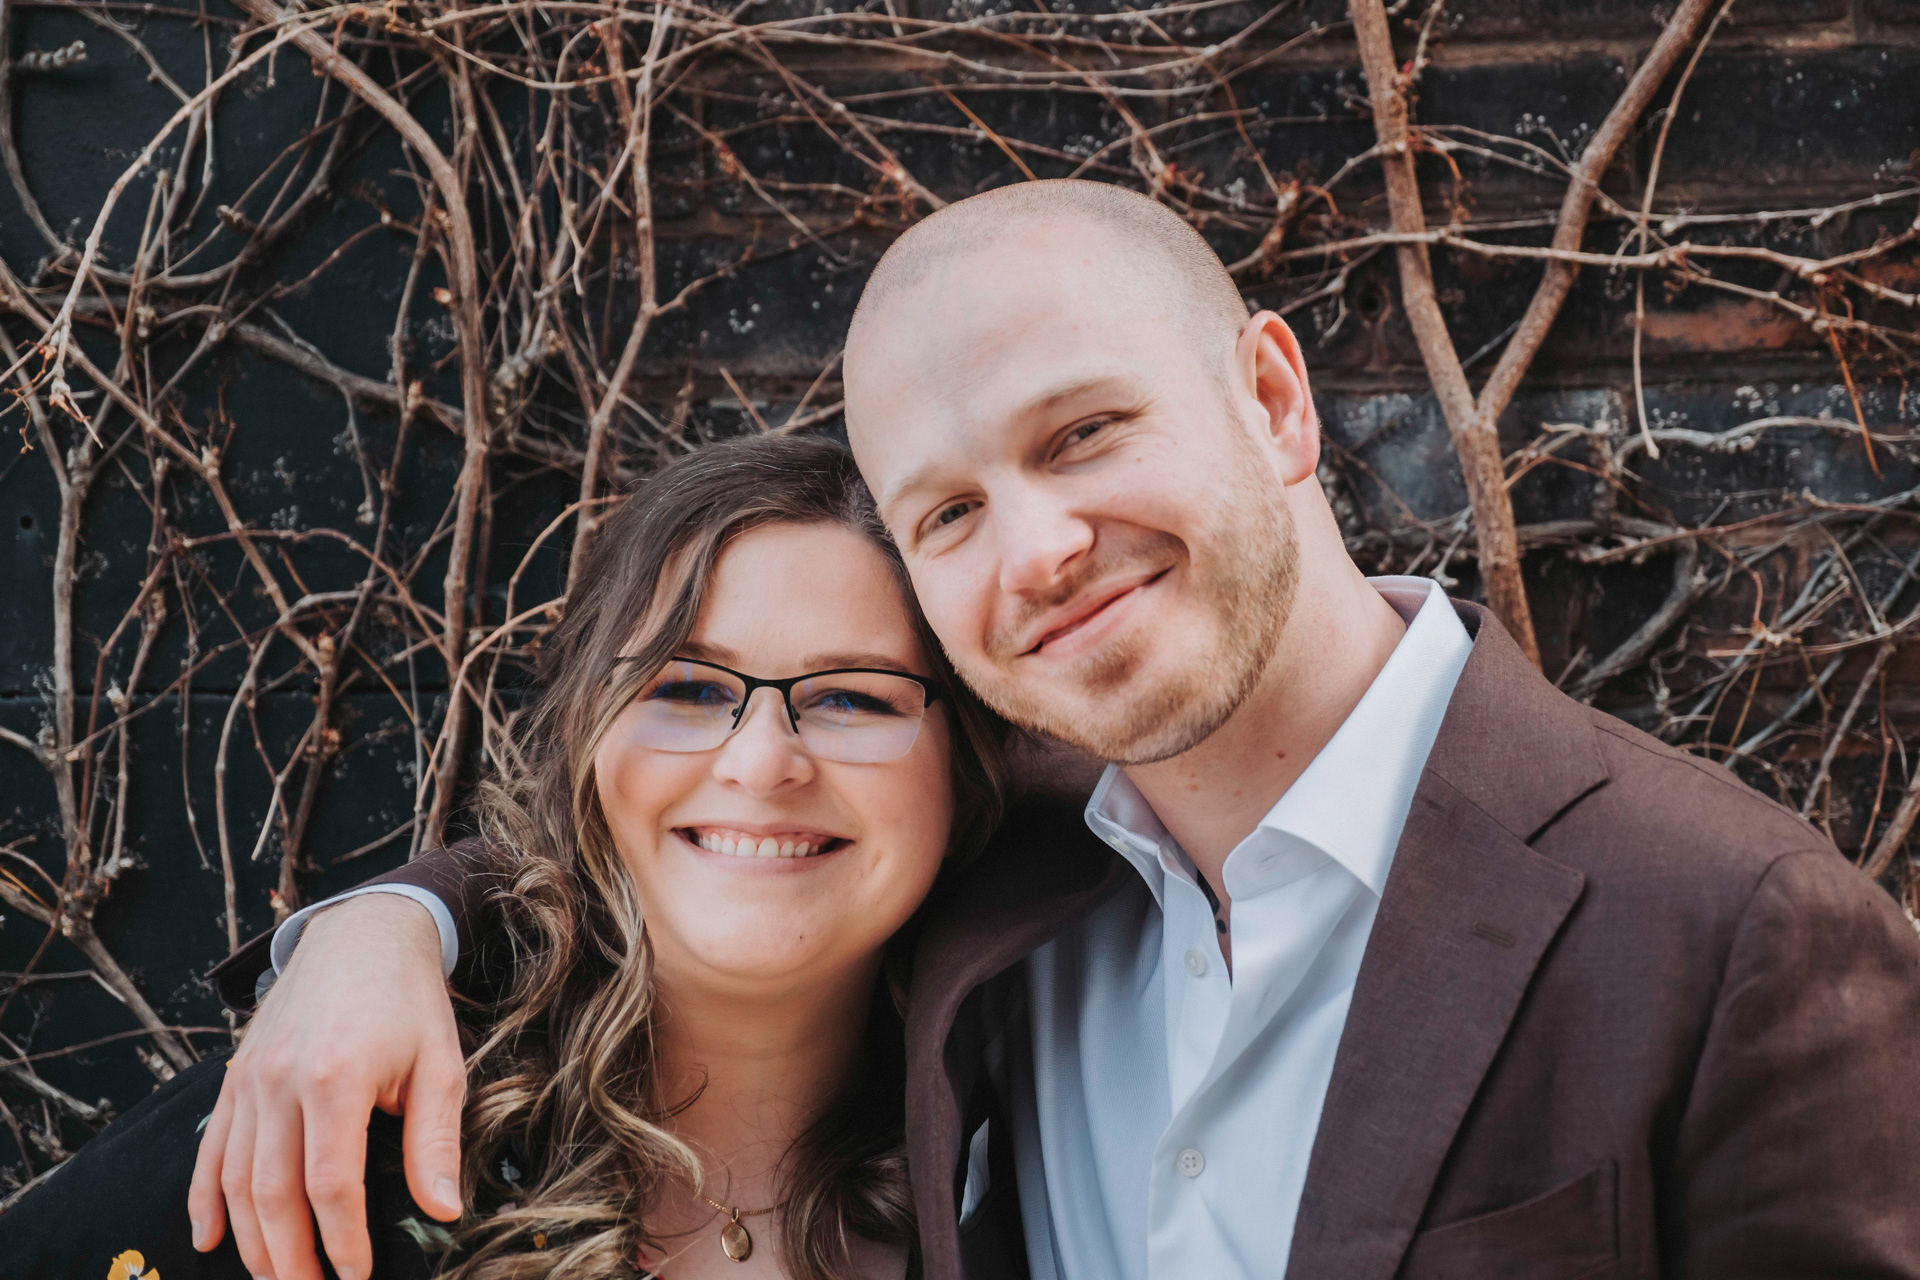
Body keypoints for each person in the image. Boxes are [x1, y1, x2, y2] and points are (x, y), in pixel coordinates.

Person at [190, 181, 1920, 1280]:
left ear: (1271, 398)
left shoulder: (1731, 932)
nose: (1036, 552)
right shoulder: (1007, 860)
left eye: (1083, 432)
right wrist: (382, 928)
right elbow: (707, 824)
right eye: (947, 512)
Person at [0, 432, 1021, 1280]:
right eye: (686, 687)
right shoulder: (347, 1131)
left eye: (852, 698)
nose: (761, 764)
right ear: (584, 740)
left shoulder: (1025, 1149)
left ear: (970, 764)